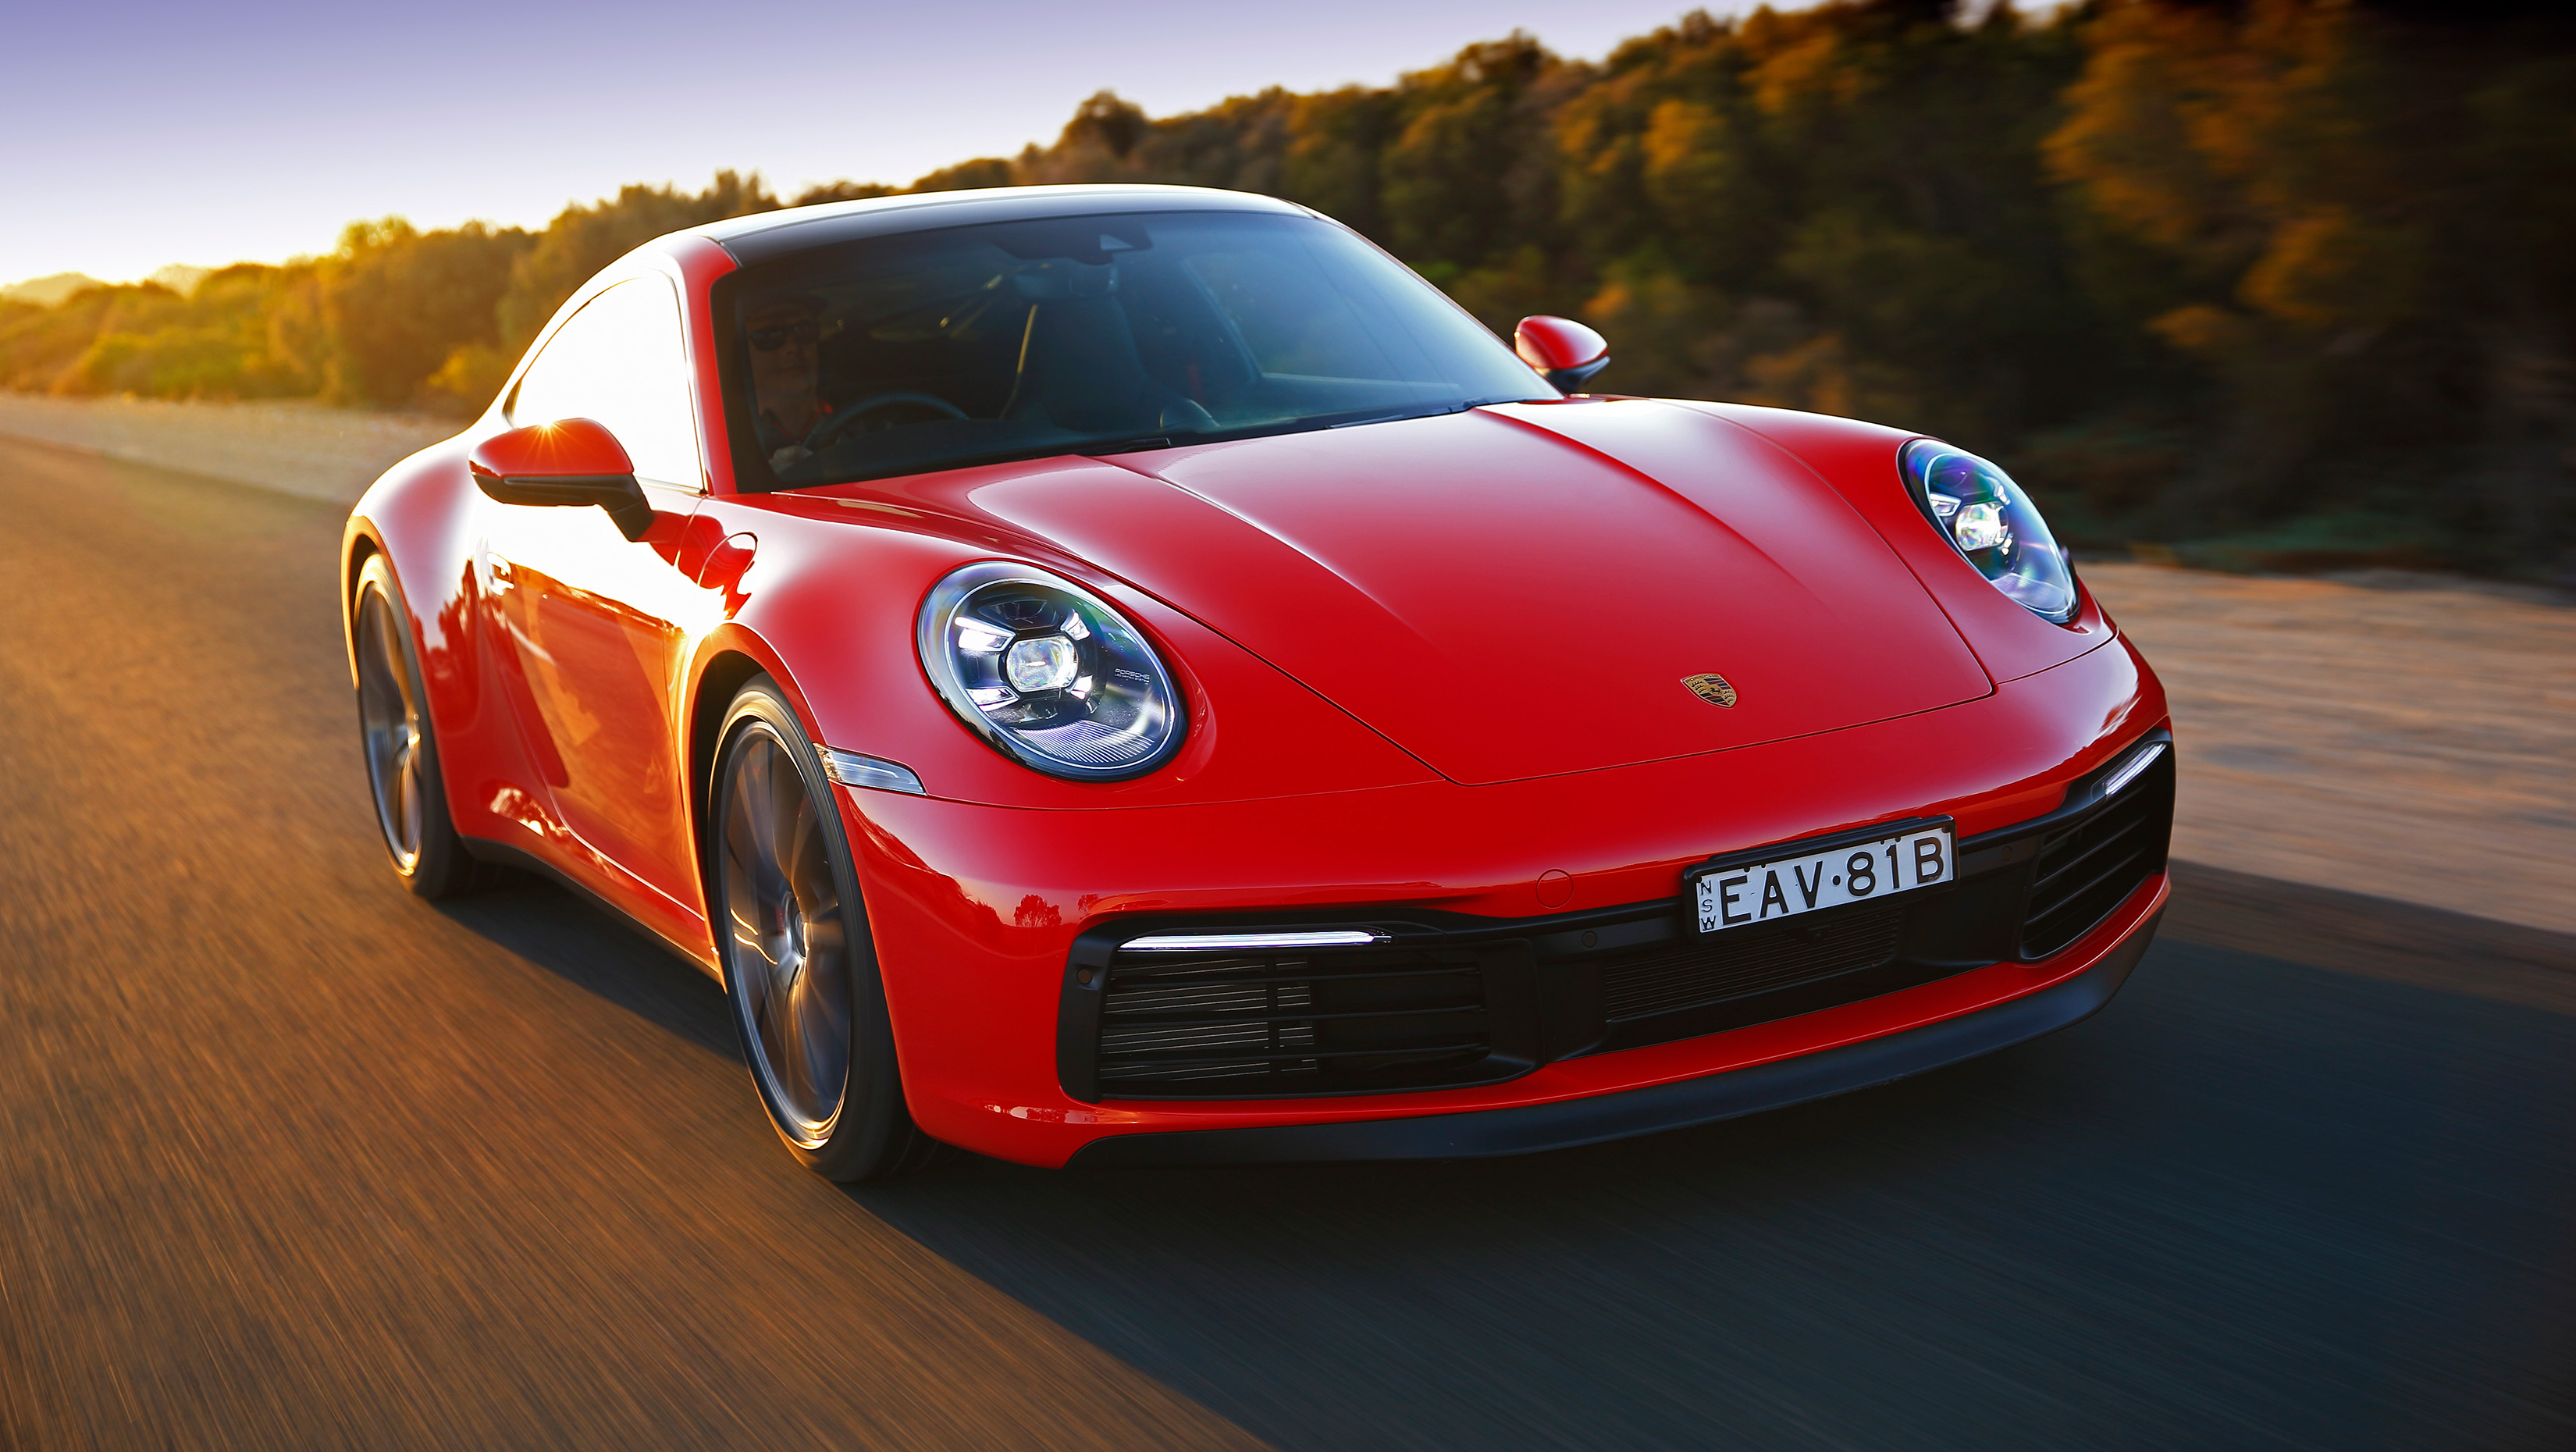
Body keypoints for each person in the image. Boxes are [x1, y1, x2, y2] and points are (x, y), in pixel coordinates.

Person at [745, 294, 830, 470]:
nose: (792, 347)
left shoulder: (865, 428)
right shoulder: (730, 447)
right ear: (742, 355)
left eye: (804, 330)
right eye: (769, 336)